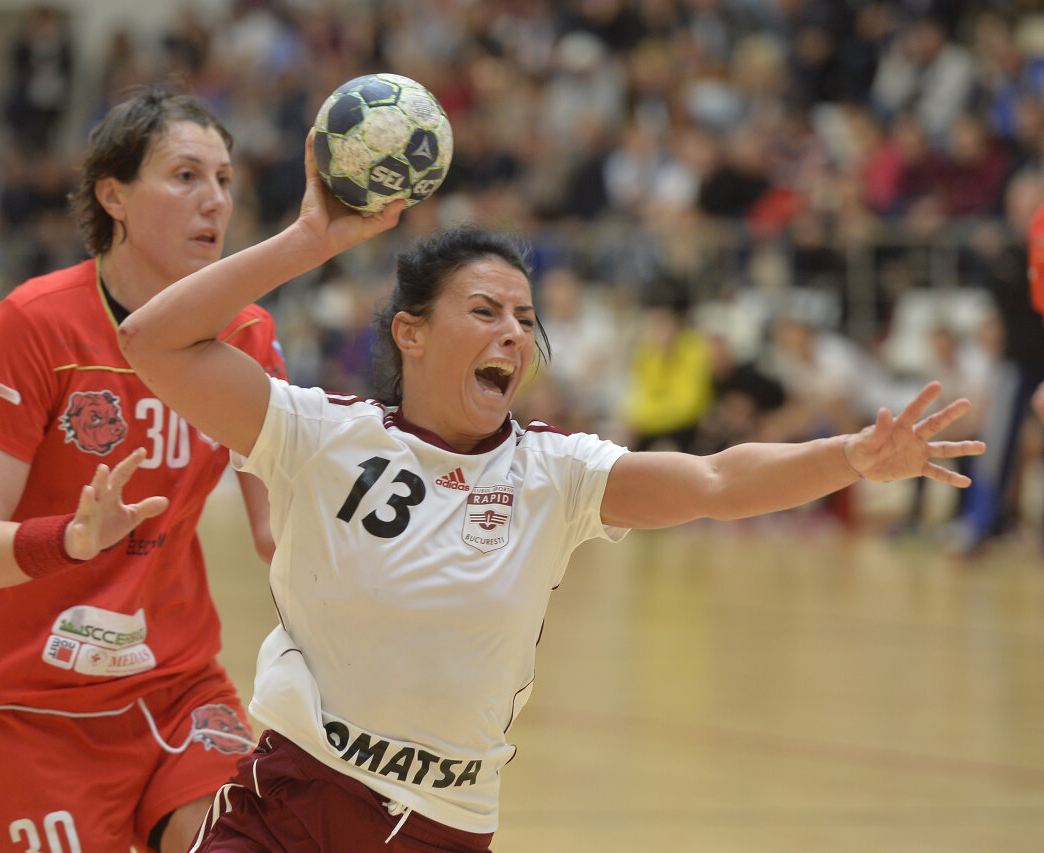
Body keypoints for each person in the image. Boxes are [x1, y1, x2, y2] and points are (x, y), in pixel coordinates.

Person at [118, 135, 985, 852]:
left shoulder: (556, 473)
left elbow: (718, 479)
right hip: (288, 803)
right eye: (486, 311)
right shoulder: (320, 433)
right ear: (410, 333)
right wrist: (310, 240)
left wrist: (850, 455)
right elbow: (150, 340)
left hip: (440, 824)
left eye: (526, 320)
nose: (513, 334)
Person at [0, 86, 287, 853]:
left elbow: (278, 532)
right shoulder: (34, 324)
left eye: (224, 179)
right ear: (114, 196)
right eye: (185, 176)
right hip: (32, 704)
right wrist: (69, 539)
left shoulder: (246, 334)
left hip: (178, 687)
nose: (215, 200)